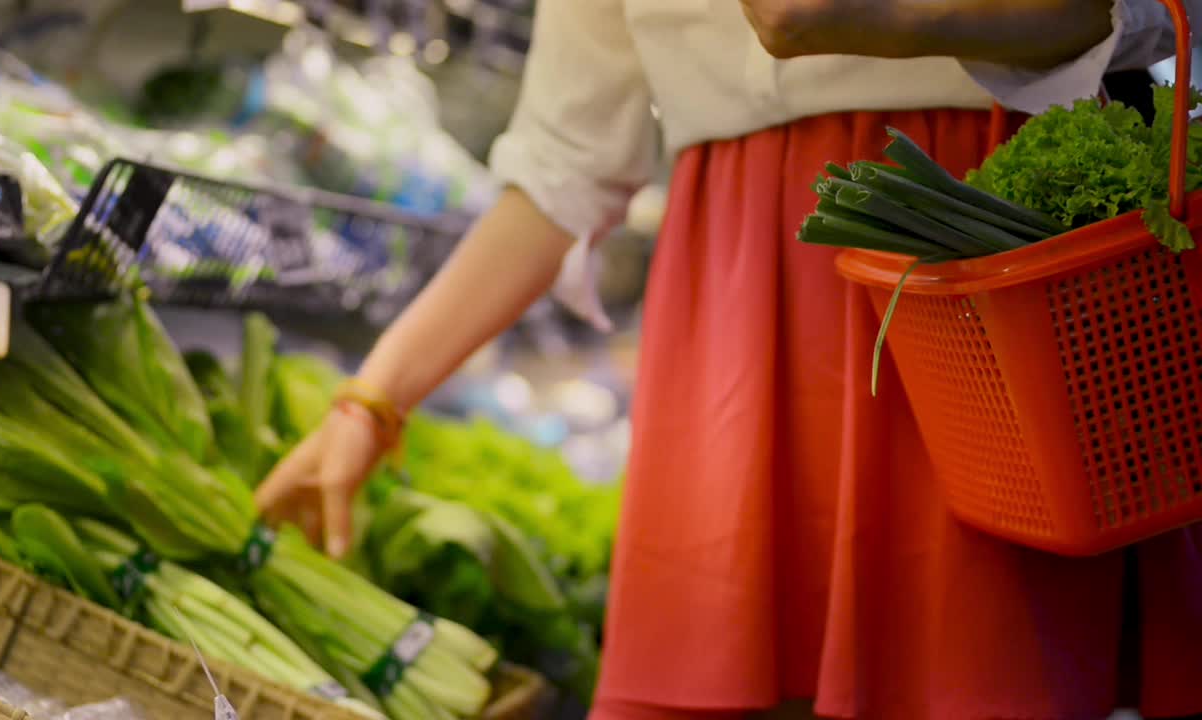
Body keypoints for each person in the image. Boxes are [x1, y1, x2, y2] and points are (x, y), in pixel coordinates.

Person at [256, 1, 1202, 718]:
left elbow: (1158, 18)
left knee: (986, 672)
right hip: (743, 318)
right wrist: (373, 399)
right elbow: (561, 164)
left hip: (994, 260)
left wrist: (902, 15)